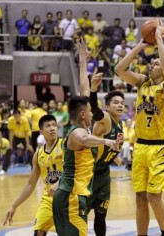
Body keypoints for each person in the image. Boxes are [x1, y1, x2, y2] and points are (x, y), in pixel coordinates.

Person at [115, 20, 164, 236]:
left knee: (154, 196)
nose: (152, 65)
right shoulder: (142, 82)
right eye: (150, 63)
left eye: (155, 63)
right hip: (141, 147)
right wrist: (141, 45)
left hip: (161, 148)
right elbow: (119, 69)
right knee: (140, 197)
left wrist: (159, 39)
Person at [52, 38, 120, 236]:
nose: (93, 114)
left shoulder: (83, 126)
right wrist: (107, 141)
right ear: (83, 115)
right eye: (90, 112)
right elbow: (84, 140)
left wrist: (83, 62)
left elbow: (83, 89)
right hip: (72, 197)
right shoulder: (76, 133)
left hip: (69, 195)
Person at [77, 36, 125, 236]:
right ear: (108, 106)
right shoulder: (104, 117)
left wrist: (115, 155)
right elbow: (94, 108)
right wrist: (94, 89)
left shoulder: (119, 123)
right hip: (87, 172)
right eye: (115, 102)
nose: (120, 105)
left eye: (122, 103)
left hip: (103, 173)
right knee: (80, 216)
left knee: (101, 215)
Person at [3, 115, 64, 236]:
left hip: (68, 196)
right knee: (39, 231)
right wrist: (14, 206)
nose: (52, 128)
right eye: (48, 126)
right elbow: (30, 184)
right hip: (49, 199)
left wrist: (59, 183)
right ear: (41, 131)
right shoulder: (38, 155)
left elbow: (75, 169)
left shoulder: (66, 145)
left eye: (54, 125)